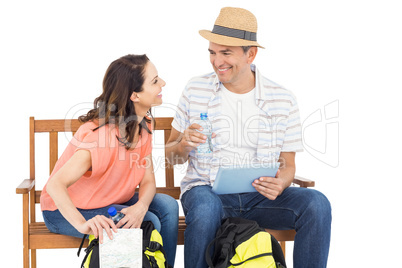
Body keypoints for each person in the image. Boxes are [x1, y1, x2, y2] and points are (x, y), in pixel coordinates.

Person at [166, 7, 331, 268]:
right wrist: (183, 144)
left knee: (317, 204)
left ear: (250, 54)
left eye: (226, 53)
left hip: (260, 198)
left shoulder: (282, 98)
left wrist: (281, 182)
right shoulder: (195, 88)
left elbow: (288, 164)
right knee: (207, 210)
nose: (216, 61)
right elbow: (170, 156)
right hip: (207, 194)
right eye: (212, 52)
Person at [41, 54, 178, 266]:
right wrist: (82, 224)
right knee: (149, 222)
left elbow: (148, 180)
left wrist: (141, 206)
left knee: (167, 206)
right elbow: (55, 184)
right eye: (155, 81)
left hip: (110, 202)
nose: (163, 83)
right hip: (64, 211)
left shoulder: (144, 124)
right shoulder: (100, 138)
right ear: (134, 95)